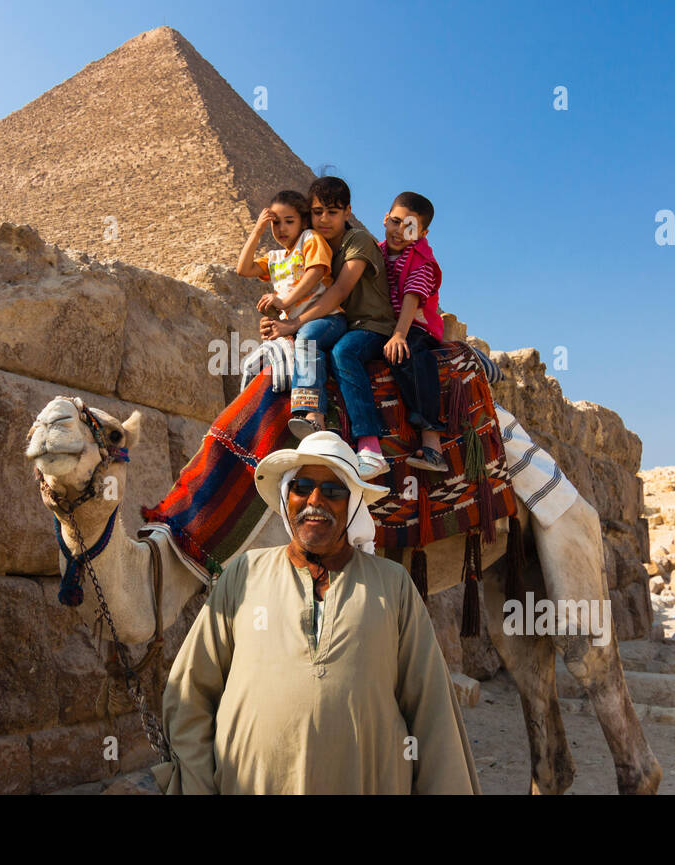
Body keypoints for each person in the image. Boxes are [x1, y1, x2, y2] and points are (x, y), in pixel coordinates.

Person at [151, 431, 481, 794]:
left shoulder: (392, 586)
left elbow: (431, 711)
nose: (314, 500)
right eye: (302, 487)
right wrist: (196, 785)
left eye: (333, 491)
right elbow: (191, 694)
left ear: (352, 504)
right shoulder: (243, 575)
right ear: (286, 497)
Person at [260, 177, 397, 480]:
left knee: (343, 353)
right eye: (317, 212)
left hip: (370, 325)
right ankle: (313, 421)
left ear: (348, 212)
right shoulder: (312, 249)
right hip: (338, 324)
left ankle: (370, 447)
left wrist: (294, 324)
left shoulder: (357, 241)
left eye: (332, 212)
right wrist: (278, 321)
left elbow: (338, 292)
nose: (324, 219)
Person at [236, 190, 346, 437]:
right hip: (291, 325)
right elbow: (243, 269)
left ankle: (313, 415)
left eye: (289, 221)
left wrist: (285, 301)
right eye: (275, 223)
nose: (281, 228)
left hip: (325, 319)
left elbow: (316, 270)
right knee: (255, 364)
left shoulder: (310, 238)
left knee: (306, 340)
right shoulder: (274, 257)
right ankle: (252, 429)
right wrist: (257, 230)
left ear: (303, 222)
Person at [382, 192, 448, 472]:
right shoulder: (376, 251)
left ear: (423, 232)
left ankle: (432, 440)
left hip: (416, 326)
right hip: (384, 323)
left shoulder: (422, 261)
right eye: (395, 222)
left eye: (409, 227)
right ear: (386, 218)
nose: (399, 231)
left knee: (410, 356)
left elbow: (411, 297)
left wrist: (399, 335)